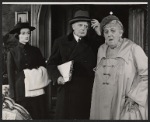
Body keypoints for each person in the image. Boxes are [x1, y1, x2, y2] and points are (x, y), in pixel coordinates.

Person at [47, 9, 103, 119]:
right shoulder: (61, 42)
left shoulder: (94, 42)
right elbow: (51, 64)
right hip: (66, 89)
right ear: (73, 26)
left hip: (86, 90)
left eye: (86, 26)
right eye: (80, 25)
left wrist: (99, 32)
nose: (83, 28)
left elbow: (105, 53)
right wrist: (57, 78)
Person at [90, 13, 148, 120]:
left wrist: (134, 97)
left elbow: (146, 75)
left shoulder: (133, 48)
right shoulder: (101, 49)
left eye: (113, 30)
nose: (109, 34)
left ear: (121, 32)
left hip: (124, 104)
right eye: (106, 31)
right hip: (102, 104)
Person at [7, 22, 49, 119]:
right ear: (18, 35)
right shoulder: (12, 52)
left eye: (28, 33)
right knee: (24, 114)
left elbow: (43, 67)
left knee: (38, 114)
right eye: (23, 33)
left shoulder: (35, 50)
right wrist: (13, 95)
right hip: (21, 89)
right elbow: (11, 74)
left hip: (37, 87)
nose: (27, 36)